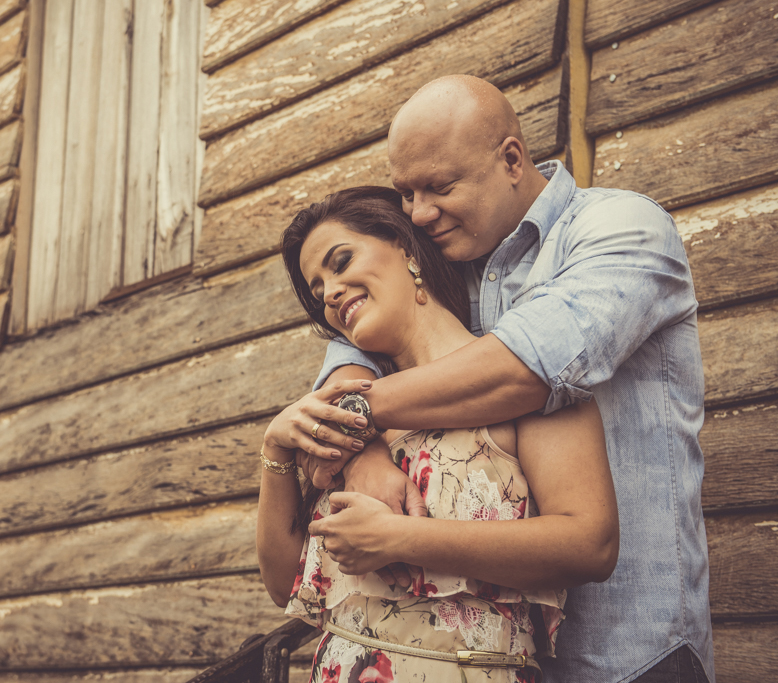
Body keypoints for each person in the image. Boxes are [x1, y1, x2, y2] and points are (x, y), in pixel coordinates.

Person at [281, 76, 713, 683]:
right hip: (507, 655)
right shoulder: (449, 261)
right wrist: (365, 451)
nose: (420, 213)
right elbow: (356, 346)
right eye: (406, 193)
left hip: (631, 643)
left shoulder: (622, 228)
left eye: (439, 187)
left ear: (511, 159)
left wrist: (357, 419)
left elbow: (525, 370)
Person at [258, 187, 619, 682]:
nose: (332, 293)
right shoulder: (348, 417)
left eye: (340, 263)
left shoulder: (526, 385)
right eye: (319, 292)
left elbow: (590, 546)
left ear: (406, 248)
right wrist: (275, 451)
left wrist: (404, 538)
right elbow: (285, 586)